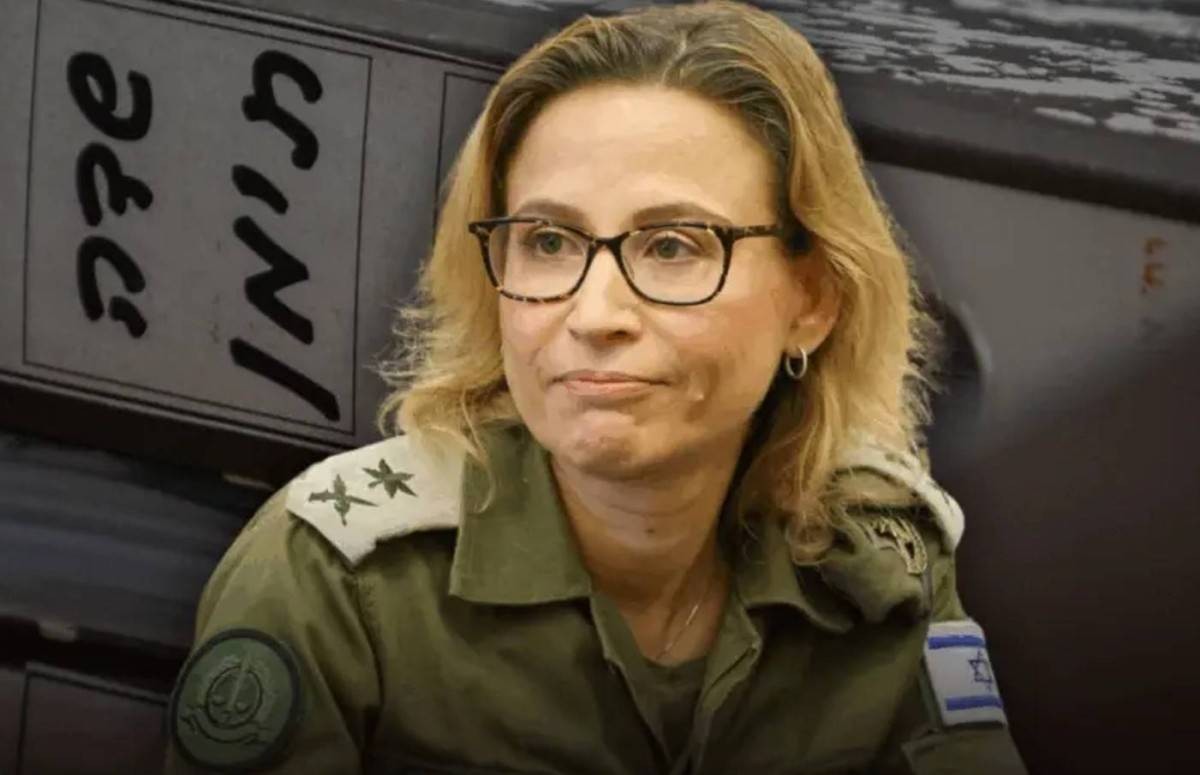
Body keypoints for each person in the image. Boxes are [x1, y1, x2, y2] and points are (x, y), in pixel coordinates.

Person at [164, 2, 1026, 772]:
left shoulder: (885, 562)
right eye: (548, 242)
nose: (595, 313)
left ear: (813, 301)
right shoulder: (336, 580)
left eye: (674, 246)